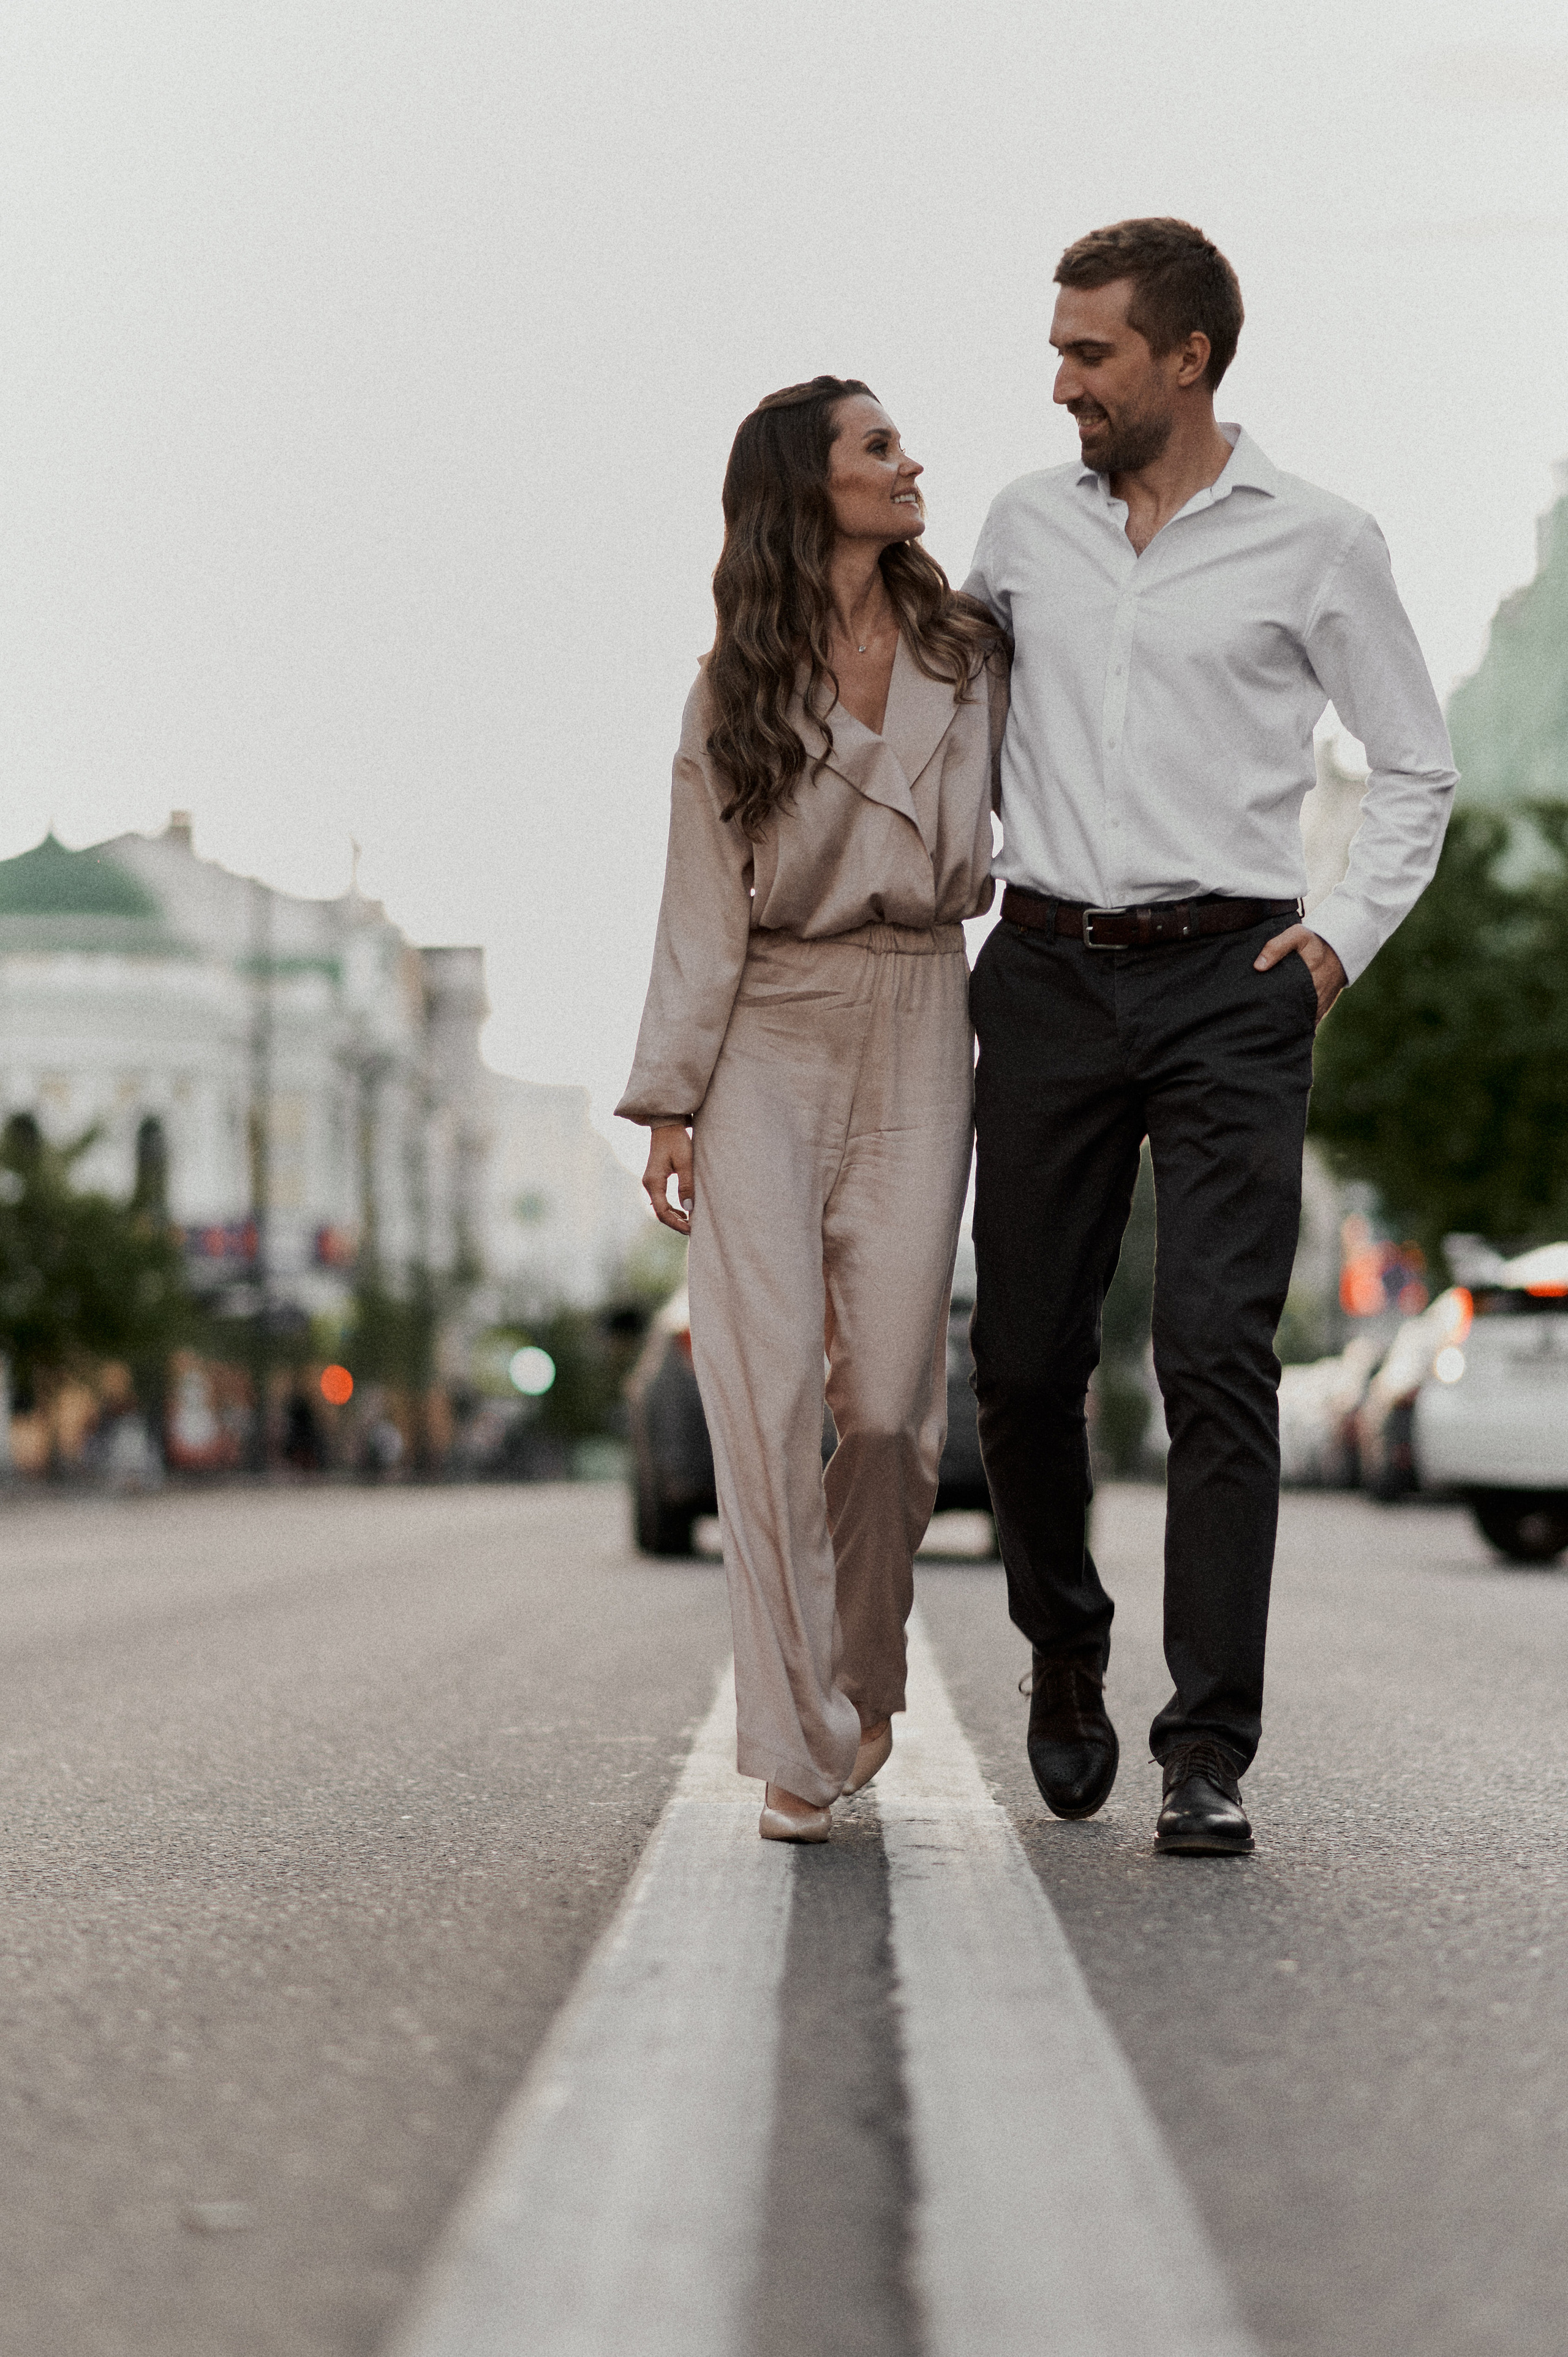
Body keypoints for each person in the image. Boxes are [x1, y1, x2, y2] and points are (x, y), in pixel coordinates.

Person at [962, 219, 1457, 1855]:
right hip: (1039, 970)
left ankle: (1207, 1748)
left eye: (1089, 352)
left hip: (1230, 984)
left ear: (1187, 357)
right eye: (1058, 348)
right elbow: (949, 724)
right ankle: (1065, 1644)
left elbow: (1413, 765)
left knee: (1216, 1357)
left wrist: (1336, 946)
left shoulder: (1318, 541)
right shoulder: (1026, 528)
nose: (1060, 383)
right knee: (1026, 1358)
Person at [617, 377, 1008, 1843]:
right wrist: (670, 1101)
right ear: (808, 484)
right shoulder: (732, 687)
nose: (911, 464)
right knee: (764, 1392)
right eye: (878, 447)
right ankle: (793, 1737)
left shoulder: (967, 650)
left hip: (921, 1008)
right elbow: (697, 902)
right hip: (763, 1037)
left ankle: (862, 1670)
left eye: (901, 444)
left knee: (894, 1408)